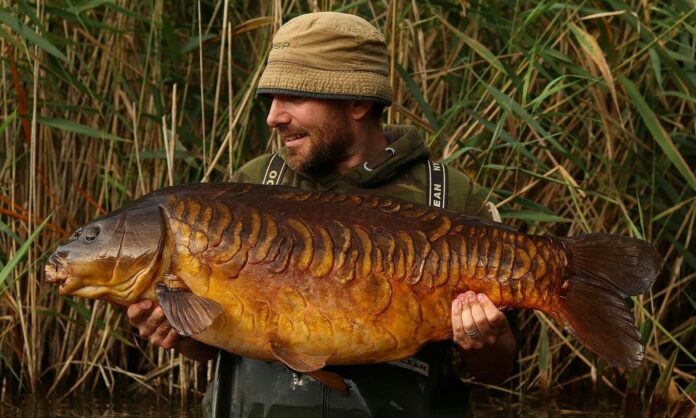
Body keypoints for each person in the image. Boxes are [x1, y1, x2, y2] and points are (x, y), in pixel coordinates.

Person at [127, 12, 518, 417]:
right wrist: (177, 332)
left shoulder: (448, 196)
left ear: (358, 101)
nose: (273, 116)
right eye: (272, 99)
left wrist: (485, 339)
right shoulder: (254, 186)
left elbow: (498, 371)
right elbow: (217, 342)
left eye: (294, 97)